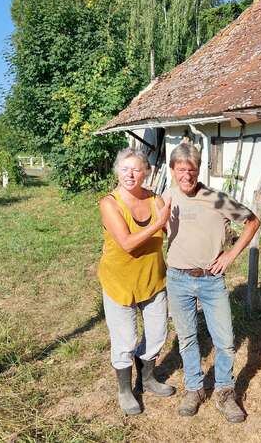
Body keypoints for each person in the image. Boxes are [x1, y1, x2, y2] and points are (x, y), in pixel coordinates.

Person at [164, 142, 260, 423]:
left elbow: (253, 221)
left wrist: (230, 255)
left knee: (225, 341)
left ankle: (225, 392)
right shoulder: (167, 197)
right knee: (187, 338)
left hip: (211, 279)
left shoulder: (216, 198)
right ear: (172, 170)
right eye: (181, 170)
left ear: (198, 170)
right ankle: (194, 389)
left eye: (191, 170)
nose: (186, 176)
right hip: (178, 278)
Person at [98, 148, 174, 416]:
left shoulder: (155, 199)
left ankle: (148, 377)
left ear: (146, 172)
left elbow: (172, 229)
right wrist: (158, 224)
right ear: (117, 171)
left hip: (153, 279)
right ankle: (124, 390)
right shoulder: (110, 203)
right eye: (124, 169)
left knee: (156, 335)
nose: (130, 174)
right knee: (125, 340)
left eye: (136, 169)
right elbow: (128, 243)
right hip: (120, 282)